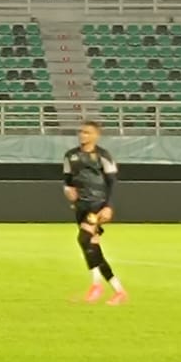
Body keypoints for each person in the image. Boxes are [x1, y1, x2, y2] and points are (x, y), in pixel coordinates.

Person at [65, 120, 126, 305]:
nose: (83, 135)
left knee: (83, 239)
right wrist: (68, 191)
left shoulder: (103, 155)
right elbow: (67, 180)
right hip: (80, 205)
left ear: (96, 135)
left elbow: (112, 183)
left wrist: (108, 206)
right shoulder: (70, 156)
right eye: (81, 132)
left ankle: (97, 285)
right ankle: (118, 290)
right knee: (92, 247)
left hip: (97, 204)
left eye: (87, 132)